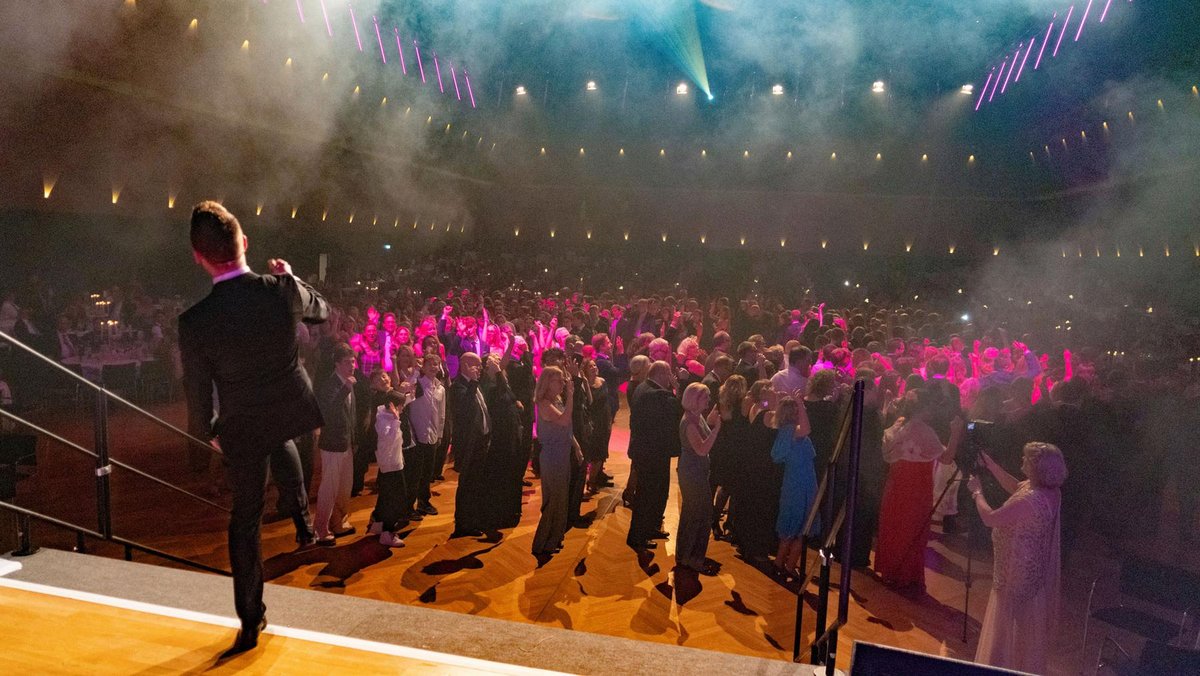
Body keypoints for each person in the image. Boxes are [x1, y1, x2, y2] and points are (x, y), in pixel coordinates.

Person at [179, 201, 327, 658]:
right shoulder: (281, 290)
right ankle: (303, 520)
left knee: (244, 521)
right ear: (245, 243)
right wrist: (292, 277)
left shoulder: (194, 322)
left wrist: (207, 431)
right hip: (286, 411)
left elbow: (197, 391)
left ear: (198, 257)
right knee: (283, 443)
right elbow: (321, 311)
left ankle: (249, 620)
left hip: (241, 423)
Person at [969, 443, 1067, 674]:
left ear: (1037, 467)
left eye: (1026, 459)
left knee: (1006, 628)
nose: (1022, 460)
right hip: (1029, 570)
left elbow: (991, 518)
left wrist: (977, 492)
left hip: (1015, 572)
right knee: (1022, 629)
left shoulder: (1031, 500)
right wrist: (992, 466)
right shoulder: (1049, 491)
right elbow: (1015, 486)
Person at [875, 387, 964, 591]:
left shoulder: (900, 423)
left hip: (897, 481)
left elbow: (887, 450)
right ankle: (906, 575)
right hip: (916, 485)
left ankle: (891, 570)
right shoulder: (923, 430)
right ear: (924, 407)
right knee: (913, 528)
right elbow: (946, 458)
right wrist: (955, 433)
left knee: (895, 524)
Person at [626, 360, 682, 552]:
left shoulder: (644, 387)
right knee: (647, 495)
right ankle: (638, 537)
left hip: (651, 451)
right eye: (669, 373)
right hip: (652, 453)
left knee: (655, 493)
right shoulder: (655, 393)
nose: (671, 377)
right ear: (661, 374)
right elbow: (676, 411)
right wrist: (678, 388)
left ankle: (649, 529)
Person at [314, 343, 360, 546]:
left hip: (346, 442)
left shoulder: (348, 382)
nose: (352, 366)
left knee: (344, 486)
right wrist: (344, 390)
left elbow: (351, 416)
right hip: (333, 444)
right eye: (347, 362)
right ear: (337, 364)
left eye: (353, 361)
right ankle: (320, 529)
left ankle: (338, 522)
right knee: (329, 488)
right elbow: (327, 412)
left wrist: (354, 439)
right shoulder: (332, 384)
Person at [676, 382, 722, 574]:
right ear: (695, 399)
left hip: (696, 471)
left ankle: (685, 555)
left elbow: (704, 437)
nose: (709, 400)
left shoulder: (696, 416)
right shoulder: (689, 422)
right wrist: (716, 429)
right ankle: (693, 558)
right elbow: (702, 449)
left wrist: (710, 422)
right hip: (692, 473)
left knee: (693, 514)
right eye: (706, 397)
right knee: (700, 515)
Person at [769, 397, 818, 576]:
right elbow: (806, 429)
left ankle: (782, 565)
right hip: (800, 483)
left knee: (793, 527)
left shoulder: (786, 432)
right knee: (798, 528)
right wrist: (800, 403)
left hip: (797, 482)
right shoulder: (792, 431)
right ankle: (786, 566)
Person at [532, 365, 574, 561]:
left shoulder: (556, 400)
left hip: (562, 453)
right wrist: (571, 396)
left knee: (561, 499)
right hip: (552, 456)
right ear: (547, 383)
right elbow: (564, 421)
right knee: (553, 500)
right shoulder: (544, 403)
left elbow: (567, 428)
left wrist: (576, 447)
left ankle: (555, 539)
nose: (562, 384)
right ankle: (541, 543)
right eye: (559, 380)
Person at [448, 352, 490, 537]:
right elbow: (464, 409)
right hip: (469, 444)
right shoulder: (458, 386)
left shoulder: (474, 384)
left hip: (480, 441)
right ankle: (463, 524)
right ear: (465, 365)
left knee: (475, 483)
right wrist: (473, 382)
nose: (480, 368)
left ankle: (473, 519)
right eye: (476, 365)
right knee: (467, 484)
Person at [368, 389, 411, 548]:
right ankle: (387, 533)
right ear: (393, 406)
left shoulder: (385, 414)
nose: (402, 409)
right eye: (401, 406)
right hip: (390, 465)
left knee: (386, 497)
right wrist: (396, 420)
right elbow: (387, 439)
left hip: (394, 462)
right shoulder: (384, 419)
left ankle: (378, 526)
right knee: (395, 499)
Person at [405, 353, 446, 517]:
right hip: (418, 435)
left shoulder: (441, 388)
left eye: (436, 364)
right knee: (415, 473)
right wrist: (415, 371)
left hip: (432, 435)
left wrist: (440, 433)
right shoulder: (418, 383)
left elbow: (441, 413)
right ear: (424, 366)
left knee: (427, 472)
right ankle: (408, 506)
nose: (433, 367)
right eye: (430, 364)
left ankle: (423, 502)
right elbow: (407, 388)